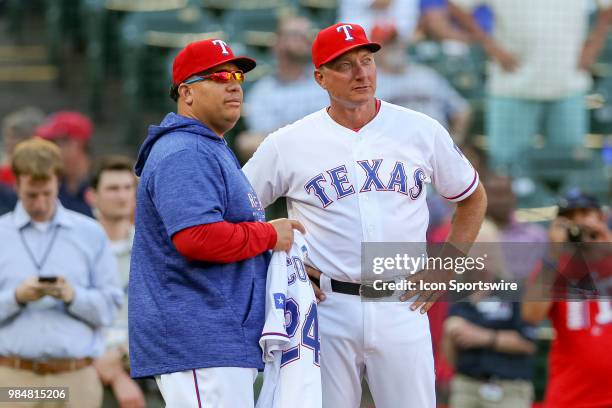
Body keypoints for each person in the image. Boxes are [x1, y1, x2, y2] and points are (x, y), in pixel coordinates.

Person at [243, 23, 487, 408]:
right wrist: (281, 261)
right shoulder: (287, 143)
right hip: (327, 307)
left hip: (402, 300)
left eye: (367, 60)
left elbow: (472, 198)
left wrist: (447, 264)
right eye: (345, 66)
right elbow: (237, 213)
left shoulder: (420, 129)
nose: (361, 73)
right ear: (320, 77)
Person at [128, 38, 304, 407]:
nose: (234, 84)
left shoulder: (206, 146)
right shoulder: (185, 150)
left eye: (238, 76)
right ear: (187, 93)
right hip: (197, 339)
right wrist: (270, 234)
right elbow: (197, 237)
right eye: (220, 76)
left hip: (215, 337)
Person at [0, 138, 122, 408]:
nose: (41, 203)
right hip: (15, 377)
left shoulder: (89, 233)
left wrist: (72, 296)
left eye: (48, 192)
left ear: (58, 181)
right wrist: (17, 297)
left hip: (75, 377)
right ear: (17, 184)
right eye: (32, 194)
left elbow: (110, 309)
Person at [452, 0, 612, 173]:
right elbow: (457, 5)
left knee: (570, 171)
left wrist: (594, 46)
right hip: (513, 86)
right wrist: (491, 47)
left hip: (567, 85)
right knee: (507, 171)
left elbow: (607, 7)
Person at [522, 191, 612, 408]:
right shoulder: (553, 266)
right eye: (570, 216)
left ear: (601, 217)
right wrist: (554, 253)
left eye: (585, 213)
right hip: (571, 397)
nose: (578, 222)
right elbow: (531, 315)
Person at [87, 155, 147, 408]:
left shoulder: (149, 249)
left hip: (141, 367)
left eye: (127, 188)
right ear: (93, 196)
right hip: (84, 365)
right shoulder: (77, 249)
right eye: (112, 188)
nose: (122, 196)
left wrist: (120, 358)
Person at [236, 15, 328, 161]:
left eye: (307, 34)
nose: (304, 39)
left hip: (325, 151)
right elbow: (261, 136)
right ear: (277, 43)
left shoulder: (325, 80)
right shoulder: (262, 91)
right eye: (295, 34)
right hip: (283, 158)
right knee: (246, 142)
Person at [373, 24, 472, 142]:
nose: (395, 48)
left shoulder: (426, 75)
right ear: (375, 53)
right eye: (388, 45)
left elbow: (462, 109)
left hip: (435, 148)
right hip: (394, 151)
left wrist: (454, 140)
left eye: (396, 43)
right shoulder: (370, 82)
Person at [37, 111, 95, 217]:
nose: (49, 150)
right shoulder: (50, 186)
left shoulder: (105, 181)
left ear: (78, 144)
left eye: (54, 143)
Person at [0, 106, 46, 188]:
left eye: (14, 137)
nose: (8, 142)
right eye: (7, 136)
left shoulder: (36, 169)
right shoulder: (4, 168)